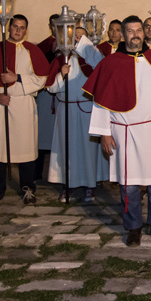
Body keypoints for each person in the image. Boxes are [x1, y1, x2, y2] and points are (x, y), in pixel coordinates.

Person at [83, 16, 151, 246]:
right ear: (123, 34)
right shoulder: (110, 63)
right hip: (124, 132)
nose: (136, 34)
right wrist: (104, 133)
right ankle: (133, 227)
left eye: (139, 30)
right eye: (130, 31)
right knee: (128, 184)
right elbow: (100, 101)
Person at [0, 14, 51, 205]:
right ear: (9, 27)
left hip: (23, 104)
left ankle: (28, 189)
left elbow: (42, 79)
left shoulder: (32, 51)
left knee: (25, 148)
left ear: (26, 30)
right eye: (15, 26)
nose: (17, 30)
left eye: (22, 27)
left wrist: (18, 78)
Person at [46, 27, 104, 202]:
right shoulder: (60, 60)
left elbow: (101, 69)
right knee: (68, 149)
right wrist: (60, 75)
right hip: (67, 109)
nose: (77, 39)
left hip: (86, 109)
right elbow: (50, 88)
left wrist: (86, 48)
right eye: (74, 36)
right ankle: (68, 186)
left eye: (80, 36)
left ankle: (89, 186)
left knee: (88, 149)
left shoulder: (92, 57)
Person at [35, 14, 60, 182]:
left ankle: (57, 174)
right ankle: (37, 174)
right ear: (50, 26)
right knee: (41, 136)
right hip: (44, 96)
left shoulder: (70, 46)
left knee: (58, 137)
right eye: (53, 25)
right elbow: (38, 68)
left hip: (61, 97)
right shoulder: (42, 46)